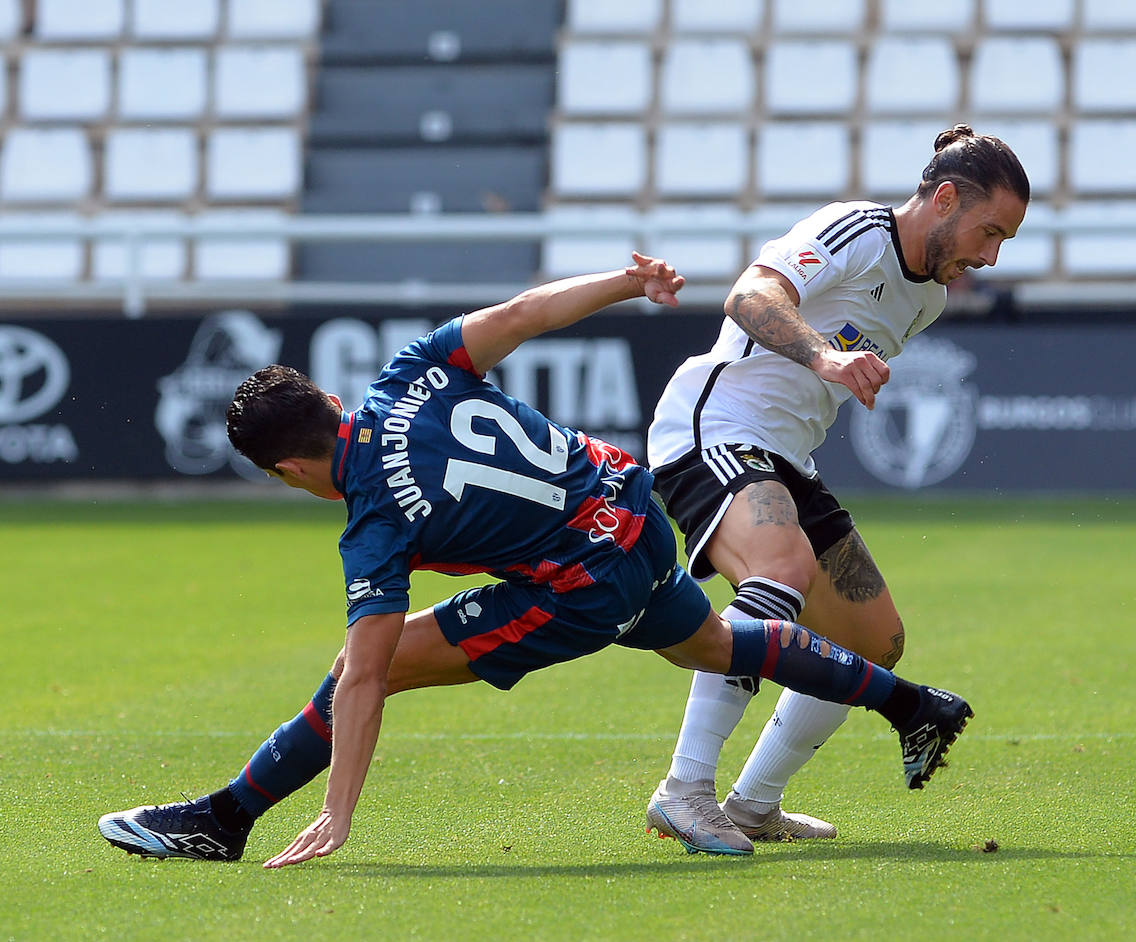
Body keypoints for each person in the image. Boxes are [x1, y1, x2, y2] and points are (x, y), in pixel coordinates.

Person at [96, 253, 973, 867]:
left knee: (366, 664)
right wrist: (626, 282)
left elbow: (364, 678)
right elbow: (522, 316)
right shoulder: (409, 374)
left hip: (577, 587)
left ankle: (224, 820)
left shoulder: (372, 520)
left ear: (290, 470)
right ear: (332, 400)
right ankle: (913, 703)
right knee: (713, 643)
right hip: (630, 511)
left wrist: (338, 811)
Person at [643, 125, 1028, 854]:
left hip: (789, 457)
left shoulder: (929, 300)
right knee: (779, 573)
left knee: (873, 641)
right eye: (989, 231)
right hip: (713, 429)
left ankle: (754, 803)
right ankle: (684, 790)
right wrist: (826, 355)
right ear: (944, 199)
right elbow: (750, 294)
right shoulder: (851, 228)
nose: (990, 255)